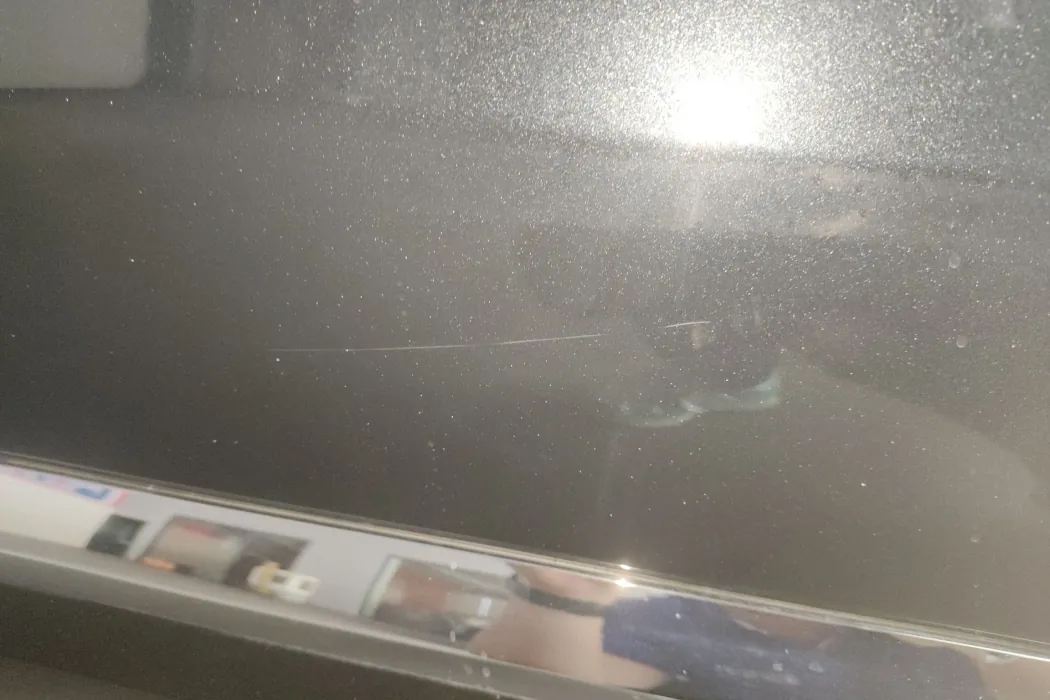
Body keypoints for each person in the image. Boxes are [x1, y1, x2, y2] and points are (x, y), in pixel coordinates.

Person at [469, 565, 1050, 700]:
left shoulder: (921, 608)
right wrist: (565, 594)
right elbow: (507, 684)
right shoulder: (670, 620)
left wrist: (964, 634)